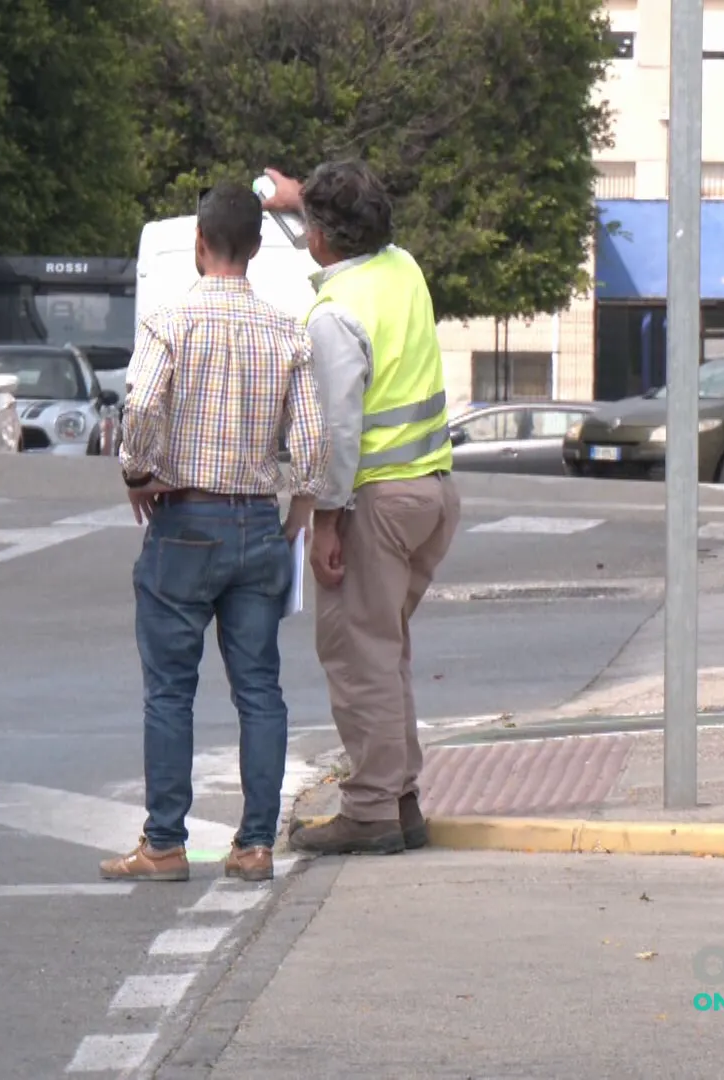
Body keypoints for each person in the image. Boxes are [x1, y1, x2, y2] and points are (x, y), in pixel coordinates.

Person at [101, 181, 330, 884]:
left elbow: (139, 404)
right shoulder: (287, 331)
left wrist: (139, 471)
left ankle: (165, 844)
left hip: (185, 521)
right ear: (256, 250)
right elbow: (314, 441)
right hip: (259, 523)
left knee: (171, 688)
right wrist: (296, 512)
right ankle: (255, 843)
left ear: (199, 245)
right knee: (259, 687)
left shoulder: (170, 323)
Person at [261, 161, 461, 857]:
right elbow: (345, 241)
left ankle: (373, 807)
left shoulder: (332, 318)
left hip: (377, 499)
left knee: (357, 653)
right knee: (388, 649)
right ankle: (399, 798)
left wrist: (326, 521)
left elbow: (339, 434)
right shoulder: (401, 268)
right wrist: (296, 202)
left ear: (319, 238)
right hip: (432, 491)